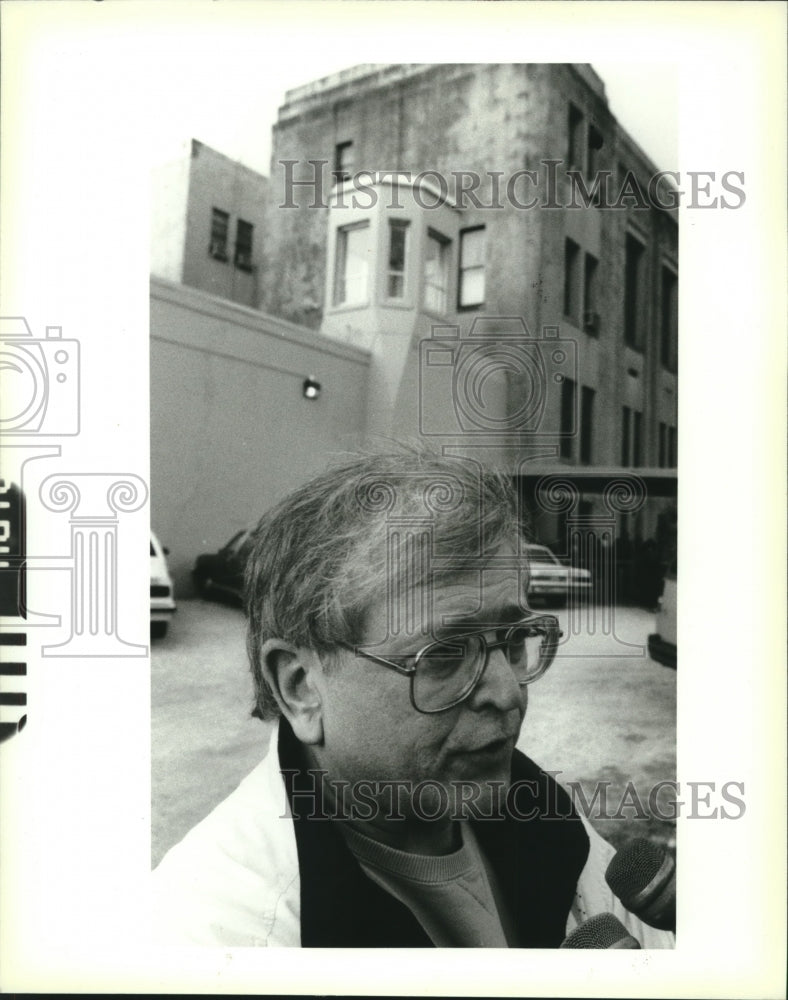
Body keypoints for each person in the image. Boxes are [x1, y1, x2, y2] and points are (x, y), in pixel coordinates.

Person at [152, 450, 674, 948]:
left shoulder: (545, 817)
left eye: (513, 642)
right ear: (301, 687)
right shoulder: (213, 936)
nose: (508, 691)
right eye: (445, 655)